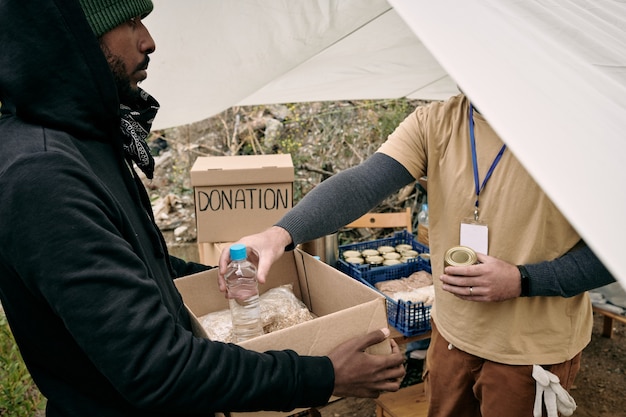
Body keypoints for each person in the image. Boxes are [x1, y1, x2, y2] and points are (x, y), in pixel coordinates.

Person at [0, 1, 406, 416]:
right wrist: (324, 376)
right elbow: (157, 369)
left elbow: (138, 265)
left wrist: (220, 277)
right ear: (75, 41)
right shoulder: (43, 175)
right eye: (130, 22)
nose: (149, 41)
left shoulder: (86, 141)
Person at [219, 93, 616, 417]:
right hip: (451, 338)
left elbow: (613, 251)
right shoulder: (436, 121)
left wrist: (524, 280)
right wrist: (280, 233)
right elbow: (363, 183)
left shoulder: (576, 129)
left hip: (531, 353)